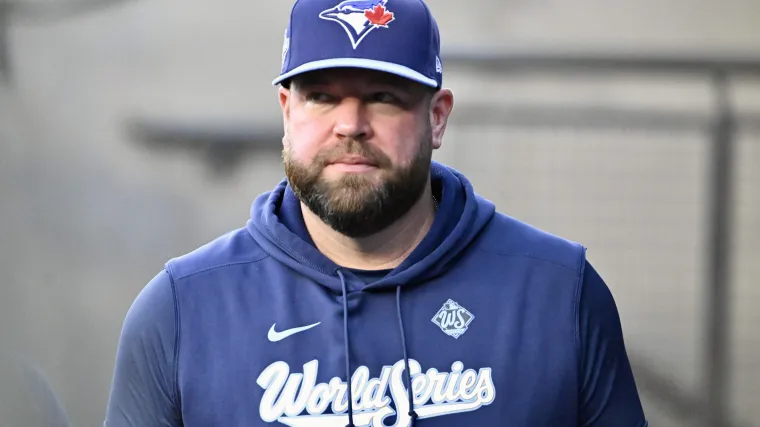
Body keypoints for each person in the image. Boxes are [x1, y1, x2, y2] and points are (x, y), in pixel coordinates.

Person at [103, 0, 649, 425]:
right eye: (321, 96)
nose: (350, 125)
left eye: (383, 96)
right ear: (287, 112)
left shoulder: (558, 293)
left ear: (437, 117)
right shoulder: (182, 311)